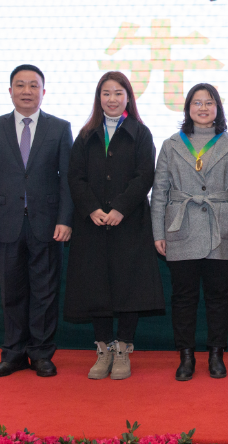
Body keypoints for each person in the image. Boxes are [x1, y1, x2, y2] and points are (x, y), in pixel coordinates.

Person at [0, 64, 73, 378]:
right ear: (10, 91)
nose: (26, 91)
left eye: (33, 85)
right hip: (5, 224)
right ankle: (14, 354)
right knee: (12, 292)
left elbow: (68, 179)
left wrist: (65, 219)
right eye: (20, 85)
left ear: (43, 91)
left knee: (45, 292)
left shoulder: (60, 128)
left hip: (47, 224)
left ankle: (41, 354)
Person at [64, 71, 164, 380]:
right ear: (99, 98)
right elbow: (75, 177)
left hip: (129, 222)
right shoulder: (85, 135)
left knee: (129, 287)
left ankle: (122, 349)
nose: (112, 99)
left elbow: (145, 175)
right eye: (106, 93)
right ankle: (103, 349)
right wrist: (92, 208)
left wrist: (120, 207)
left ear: (128, 97)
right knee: (97, 287)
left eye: (118, 93)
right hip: (92, 225)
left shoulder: (140, 133)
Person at [151, 83, 228, 381]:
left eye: (209, 102)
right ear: (188, 108)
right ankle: (186, 356)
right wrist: (157, 231)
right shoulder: (171, 144)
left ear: (218, 108)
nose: (203, 108)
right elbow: (159, 192)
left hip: (221, 228)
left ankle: (216, 354)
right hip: (180, 227)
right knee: (183, 297)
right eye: (197, 103)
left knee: (218, 296)